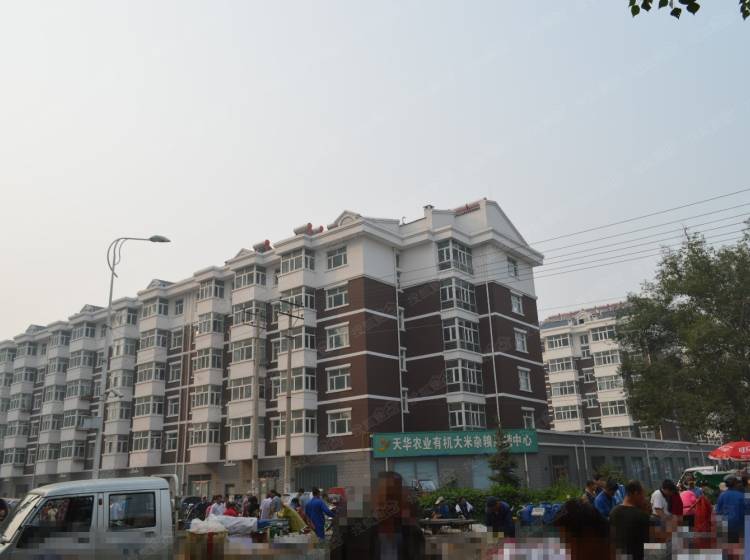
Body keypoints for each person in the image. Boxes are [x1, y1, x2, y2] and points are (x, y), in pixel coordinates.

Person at [609, 480, 652, 560]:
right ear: (636, 493)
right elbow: (648, 546)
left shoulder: (613, 512)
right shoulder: (641, 516)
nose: (644, 498)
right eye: (643, 494)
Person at [715, 474, 745, 543]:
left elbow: (718, 512)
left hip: (726, 526)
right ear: (735, 483)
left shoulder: (722, 496)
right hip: (739, 526)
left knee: (728, 545)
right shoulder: (741, 496)